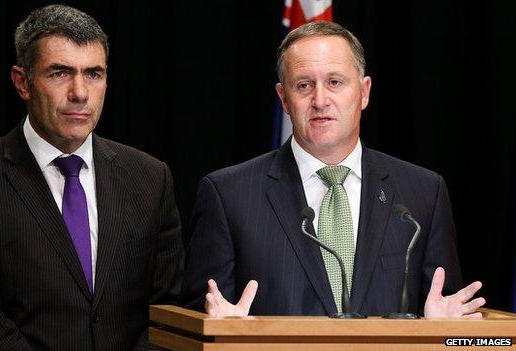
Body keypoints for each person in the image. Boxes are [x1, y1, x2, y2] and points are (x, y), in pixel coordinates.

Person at [179, 21, 484, 318]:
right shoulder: (228, 195)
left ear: (364, 92)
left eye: (335, 82)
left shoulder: (423, 193)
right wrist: (219, 329)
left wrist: (435, 329)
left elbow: (444, 306)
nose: (320, 100)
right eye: (303, 85)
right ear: (284, 99)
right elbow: (193, 318)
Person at [0, 5, 182, 350]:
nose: (80, 92)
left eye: (93, 74)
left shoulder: (151, 178)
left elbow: (168, 308)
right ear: (23, 82)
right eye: (60, 73)